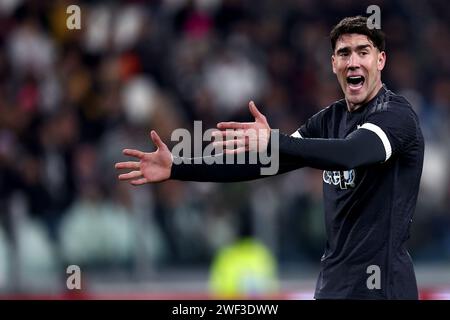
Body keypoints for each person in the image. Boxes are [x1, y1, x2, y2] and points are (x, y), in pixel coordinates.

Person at [115, 16, 424, 299]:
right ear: (333, 64)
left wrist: (275, 141)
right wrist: (178, 167)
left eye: (363, 52)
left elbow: (351, 154)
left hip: (384, 288)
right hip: (334, 285)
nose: (353, 62)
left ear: (380, 60)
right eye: (344, 53)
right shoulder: (328, 120)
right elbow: (263, 164)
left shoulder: (396, 116)